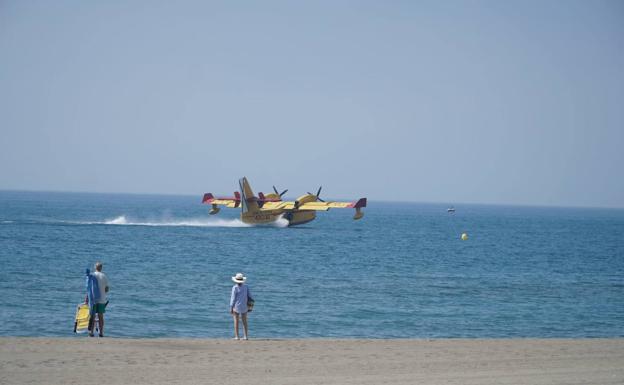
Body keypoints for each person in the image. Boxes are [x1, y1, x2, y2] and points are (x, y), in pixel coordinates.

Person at [88, 261, 109, 337]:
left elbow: (89, 288)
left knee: (93, 316)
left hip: (93, 299)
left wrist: (87, 298)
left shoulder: (92, 275)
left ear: (95, 267)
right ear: (101, 268)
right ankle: (101, 333)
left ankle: (91, 332)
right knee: (101, 316)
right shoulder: (104, 276)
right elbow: (107, 289)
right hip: (102, 299)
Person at [230, 273, 252, 340]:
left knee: (236, 321)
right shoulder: (246, 286)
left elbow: (233, 298)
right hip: (244, 306)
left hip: (236, 306)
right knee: (244, 321)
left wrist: (231, 307)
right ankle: (246, 336)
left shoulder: (235, 287)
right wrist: (250, 306)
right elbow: (250, 296)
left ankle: (237, 336)